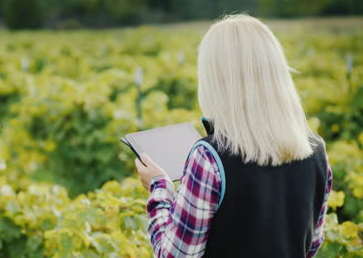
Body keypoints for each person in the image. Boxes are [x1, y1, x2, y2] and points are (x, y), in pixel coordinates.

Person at [134, 14, 332, 258]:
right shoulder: (316, 150)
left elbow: (174, 256)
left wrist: (159, 187)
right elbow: (311, 244)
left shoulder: (209, 157)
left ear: (215, 79)